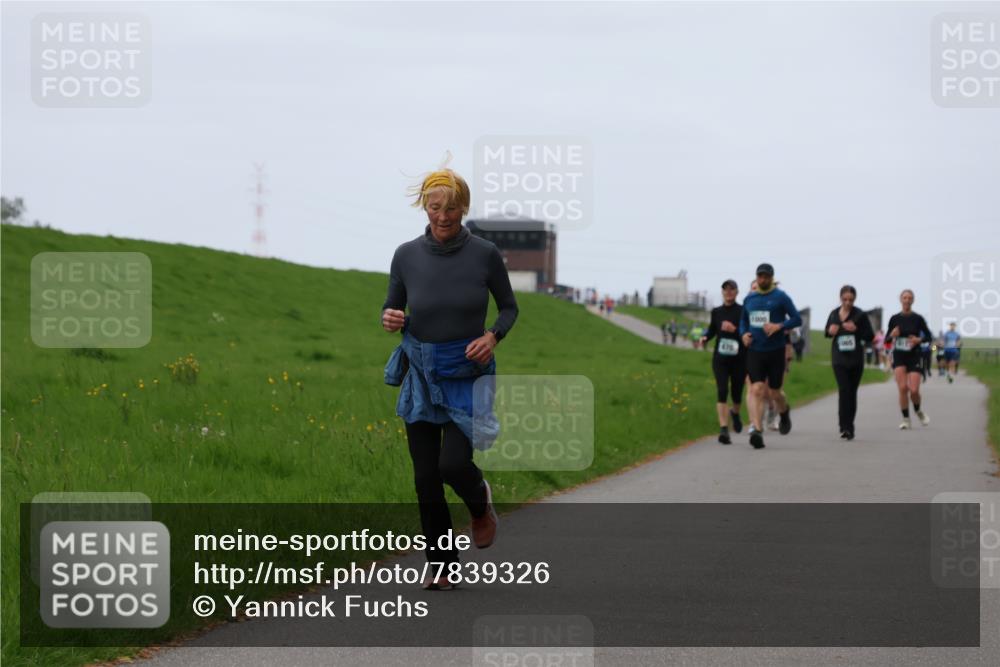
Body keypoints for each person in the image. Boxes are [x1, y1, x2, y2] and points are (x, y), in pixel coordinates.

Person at [382, 166, 518, 590]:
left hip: (466, 374)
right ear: (424, 207)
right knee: (425, 479)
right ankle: (443, 566)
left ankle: (479, 503)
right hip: (422, 373)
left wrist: (492, 337)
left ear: (464, 208)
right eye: (435, 207)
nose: (443, 216)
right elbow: (392, 307)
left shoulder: (485, 254)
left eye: (452, 208)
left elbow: (509, 307)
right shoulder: (406, 255)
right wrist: (390, 318)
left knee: (453, 464)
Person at [740, 264, 802, 449]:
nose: (763, 279)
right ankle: (757, 431)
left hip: (775, 351)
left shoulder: (781, 297)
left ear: (772, 278)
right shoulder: (749, 299)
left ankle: (784, 412)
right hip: (755, 350)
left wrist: (779, 326)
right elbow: (743, 321)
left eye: (766, 276)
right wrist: (743, 334)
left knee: (774, 392)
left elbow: (797, 318)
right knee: (757, 389)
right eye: (760, 276)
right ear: (756, 277)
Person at [825, 285, 875, 440]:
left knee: (851, 392)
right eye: (845, 299)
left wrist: (856, 329)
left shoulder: (860, 315)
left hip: (855, 359)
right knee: (844, 390)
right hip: (839, 358)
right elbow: (827, 332)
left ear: (855, 299)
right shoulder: (834, 314)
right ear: (840, 298)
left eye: (850, 300)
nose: (847, 303)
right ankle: (844, 427)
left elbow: (870, 336)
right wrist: (830, 331)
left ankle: (850, 426)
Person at [700, 279, 746, 444]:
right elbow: (712, 329)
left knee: (736, 393)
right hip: (720, 358)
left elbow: (747, 332)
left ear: (737, 292)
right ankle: (724, 429)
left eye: (732, 289)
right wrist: (705, 337)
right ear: (722, 292)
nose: (728, 292)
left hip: (739, 358)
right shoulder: (716, 312)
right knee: (722, 390)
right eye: (725, 289)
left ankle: (735, 413)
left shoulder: (743, 311)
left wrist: (734, 330)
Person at [885, 289, 933, 430]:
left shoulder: (918, 318)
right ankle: (906, 419)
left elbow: (929, 337)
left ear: (913, 300)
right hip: (899, 355)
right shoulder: (894, 318)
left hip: (914, 355)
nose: (907, 300)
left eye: (910, 298)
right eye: (905, 297)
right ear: (901, 299)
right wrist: (892, 335)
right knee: (902, 388)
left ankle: (918, 410)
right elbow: (887, 339)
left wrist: (919, 339)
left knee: (914, 390)